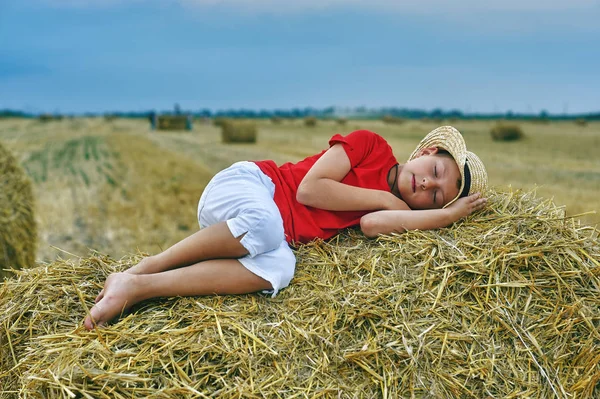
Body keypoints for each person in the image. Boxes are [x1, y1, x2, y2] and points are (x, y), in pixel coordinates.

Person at [83, 125, 487, 330]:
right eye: (434, 171)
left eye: (436, 196)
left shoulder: (400, 208)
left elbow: (370, 225)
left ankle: (136, 287)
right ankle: (146, 267)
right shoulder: (372, 145)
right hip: (249, 187)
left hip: (258, 235)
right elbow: (311, 190)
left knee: (280, 270)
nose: (427, 185)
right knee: (268, 227)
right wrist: (384, 197)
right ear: (426, 151)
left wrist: (446, 217)